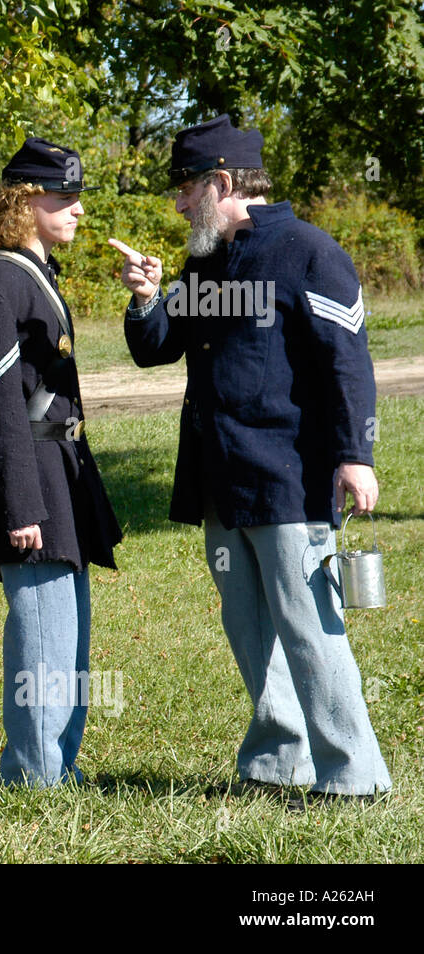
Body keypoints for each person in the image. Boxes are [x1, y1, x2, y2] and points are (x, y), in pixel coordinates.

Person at [110, 114, 391, 802]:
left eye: (184, 189)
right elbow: (158, 346)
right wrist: (147, 297)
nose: (177, 203)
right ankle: (276, 761)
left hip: (289, 478)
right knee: (250, 630)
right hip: (219, 480)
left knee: (309, 630)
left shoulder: (309, 252)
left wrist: (357, 456)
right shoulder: (206, 259)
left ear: (223, 182)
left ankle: (354, 777)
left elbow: (347, 363)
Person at [0, 139, 122, 787]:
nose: (78, 210)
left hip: (60, 479)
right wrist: (16, 504)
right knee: (43, 640)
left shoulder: (33, 276)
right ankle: (33, 772)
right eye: (65, 197)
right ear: (25, 202)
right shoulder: (0, 283)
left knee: (67, 640)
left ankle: (58, 764)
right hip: (33, 487)